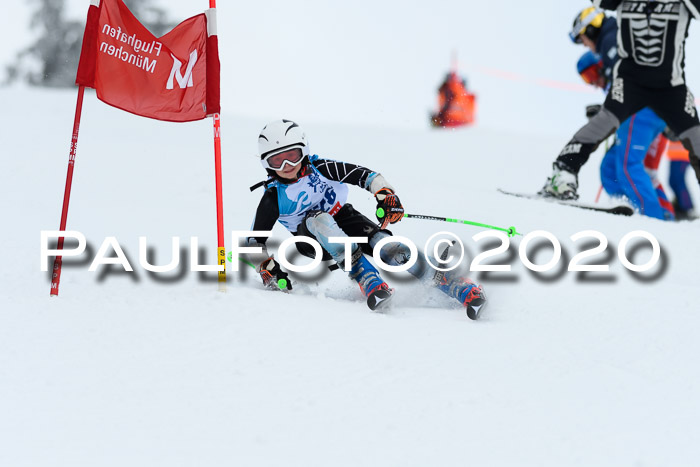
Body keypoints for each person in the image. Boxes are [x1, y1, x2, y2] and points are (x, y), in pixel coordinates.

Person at [244, 119, 487, 318]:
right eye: (277, 160)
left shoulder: (321, 167)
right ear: (267, 163)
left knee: (388, 247)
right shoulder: (273, 197)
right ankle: (366, 277)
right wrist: (266, 269)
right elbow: (253, 243)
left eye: (293, 156)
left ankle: (450, 281)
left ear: (304, 151)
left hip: (345, 217)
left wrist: (386, 195)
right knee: (318, 220)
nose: (287, 165)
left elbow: (365, 176)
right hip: (312, 240)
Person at [540, 1, 700, 202]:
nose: (586, 45)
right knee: (603, 125)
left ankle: (563, 172)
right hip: (644, 84)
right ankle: (563, 174)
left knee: (694, 138)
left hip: (662, 86)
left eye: (584, 39)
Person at [572, 10, 674, 220]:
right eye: (586, 79)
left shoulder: (611, 41)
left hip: (644, 110)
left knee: (629, 166)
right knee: (610, 167)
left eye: (591, 74)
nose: (592, 82)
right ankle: (632, 209)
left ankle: (654, 220)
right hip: (645, 112)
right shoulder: (612, 43)